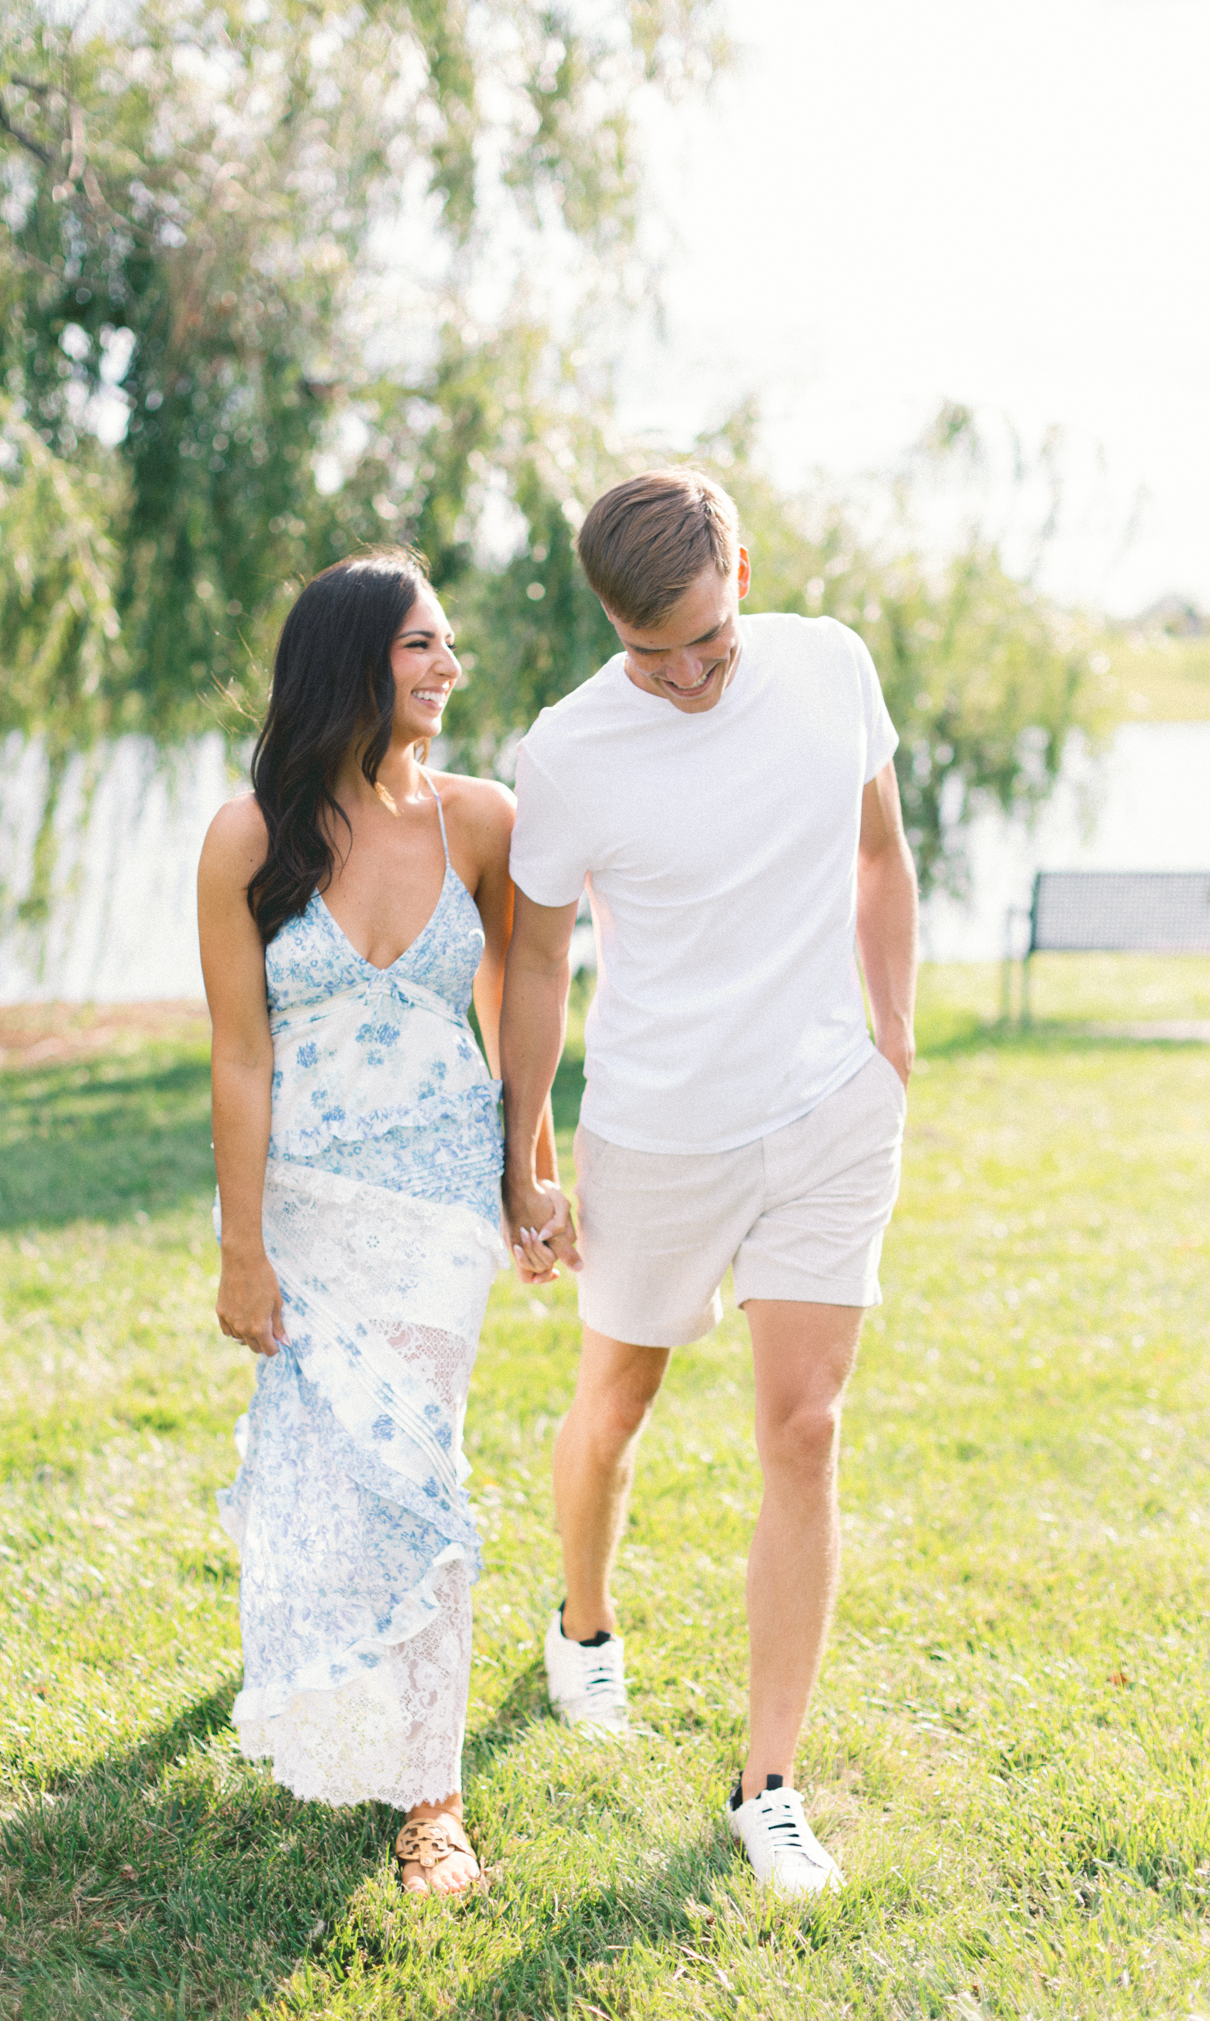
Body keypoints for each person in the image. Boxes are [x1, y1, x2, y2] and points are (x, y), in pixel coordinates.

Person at [499, 469, 917, 1897]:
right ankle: (585, 1624)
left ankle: (766, 1786)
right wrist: (525, 1156)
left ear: (740, 563)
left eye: (706, 642)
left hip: (822, 1111)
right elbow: (540, 960)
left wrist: (894, 1040)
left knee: (803, 1428)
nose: (681, 676)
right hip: (656, 1133)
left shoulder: (828, 665)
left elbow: (877, 850)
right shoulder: (562, 753)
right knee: (614, 1403)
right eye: (646, 651)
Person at [197, 549, 552, 1897]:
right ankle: (331, 1679)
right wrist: (242, 1247)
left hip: (439, 1198)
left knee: (418, 1463)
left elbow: (523, 1011)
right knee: (330, 1463)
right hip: (308, 1198)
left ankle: (432, 1798)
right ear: (350, 660)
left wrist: (529, 1173)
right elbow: (239, 1056)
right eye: (420, 647)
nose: (448, 669)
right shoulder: (250, 836)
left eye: (448, 645)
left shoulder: (485, 822)